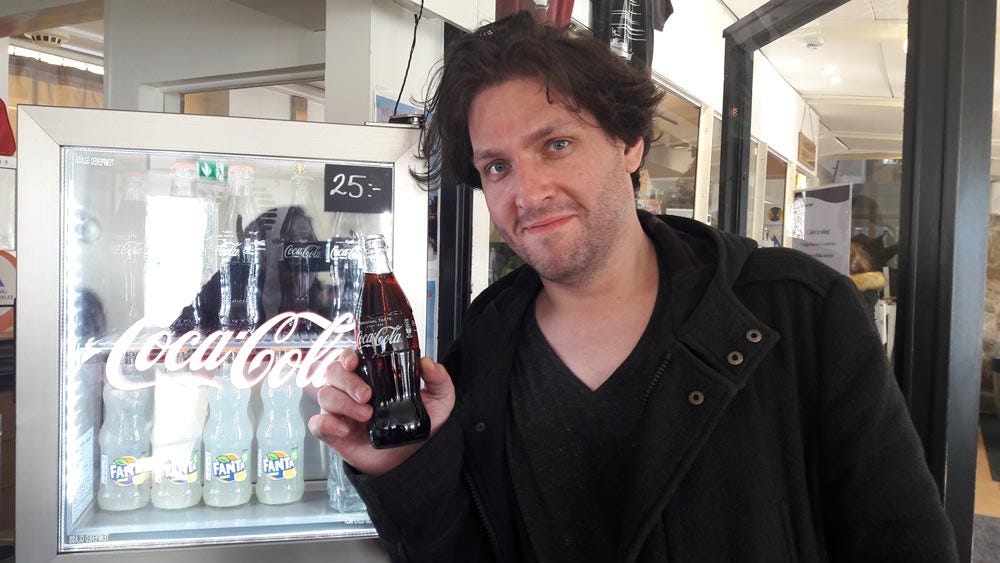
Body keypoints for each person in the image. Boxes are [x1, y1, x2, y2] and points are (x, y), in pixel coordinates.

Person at [308, 11, 958, 563]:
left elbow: (902, 542)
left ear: (630, 144)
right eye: (498, 166)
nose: (527, 192)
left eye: (557, 144)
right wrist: (408, 463)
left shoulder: (798, 313)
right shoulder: (484, 341)